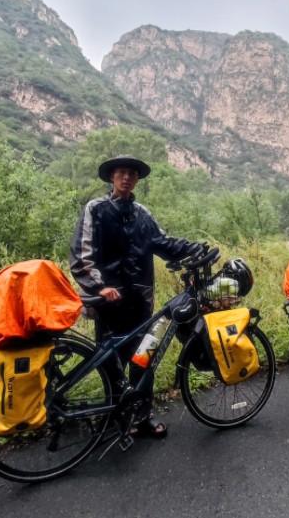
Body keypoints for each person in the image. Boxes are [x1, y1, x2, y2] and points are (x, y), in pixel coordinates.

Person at [69, 154, 201, 438]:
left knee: (144, 358)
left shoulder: (143, 213)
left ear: (137, 178)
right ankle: (116, 417)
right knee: (111, 362)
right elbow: (82, 254)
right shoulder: (96, 209)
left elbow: (163, 243)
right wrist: (98, 286)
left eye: (132, 173)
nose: (126, 177)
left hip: (141, 300)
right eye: (121, 172)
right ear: (112, 177)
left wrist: (194, 249)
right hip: (109, 302)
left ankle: (141, 418)